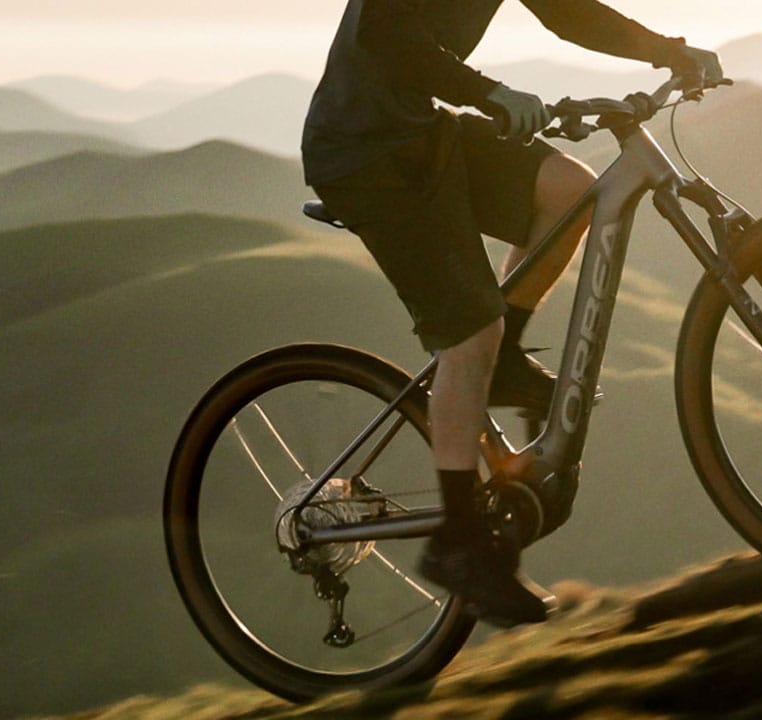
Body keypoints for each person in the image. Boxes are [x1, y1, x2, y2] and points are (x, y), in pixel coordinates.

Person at [302, 0, 723, 627]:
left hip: (420, 132)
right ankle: (458, 545)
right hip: (364, 157)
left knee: (571, 192)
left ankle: (499, 363)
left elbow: (568, 12)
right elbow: (390, 38)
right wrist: (490, 92)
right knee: (471, 335)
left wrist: (667, 50)